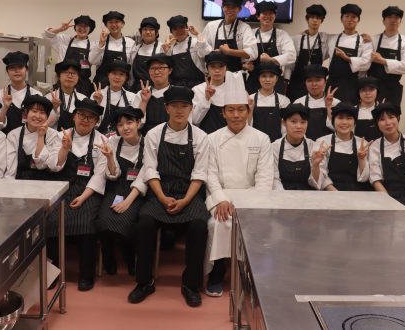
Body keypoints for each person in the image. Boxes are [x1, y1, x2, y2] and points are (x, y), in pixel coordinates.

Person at [128, 86, 209, 307]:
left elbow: (199, 174)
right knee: (144, 224)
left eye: (184, 106)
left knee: (199, 226)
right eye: (175, 106)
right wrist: (163, 198)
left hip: (188, 192)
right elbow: (150, 170)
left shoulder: (200, 137)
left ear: (191, 109)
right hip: (160, 191)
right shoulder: (154, 134)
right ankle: (144, 282)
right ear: (166, 108)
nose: (179, 110)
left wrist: (185, 200)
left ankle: (190, 285)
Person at [204, 72, 273, 297]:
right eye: (231, 110)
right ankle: (217, 271)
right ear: (223, 113)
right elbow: (210, 175)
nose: (236, 115)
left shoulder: (261, 138)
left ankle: (249, 271)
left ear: (248, 111)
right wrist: (221, 200)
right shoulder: (212, 139)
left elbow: (265, 178)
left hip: (252, 197)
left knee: (254, 224)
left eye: (241, 110)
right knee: (219, 224)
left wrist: (247, 203)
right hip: (221, 196)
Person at [51, 98, 109, 291]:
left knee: (88, 224)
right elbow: (54, 167)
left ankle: (86, 275)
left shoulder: (103, 141)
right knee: (52, 220)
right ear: (74, 116)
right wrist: (64, 149)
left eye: (91, 117)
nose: (85, 120)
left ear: (96, 121)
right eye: (82, 115)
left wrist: (84, 196)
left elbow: (100, 175)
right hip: (62, 187)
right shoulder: (60, 135)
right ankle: (52, 273)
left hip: (88, 191)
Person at [95, 106, 147, 276]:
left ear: (138, 123)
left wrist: (127, 202)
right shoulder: (113, 142)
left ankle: (130, 257)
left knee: (127, 221)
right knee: (103, 221)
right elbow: (113, 175)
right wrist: (110, 157)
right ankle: (108, 256)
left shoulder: (148, 143)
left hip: (137, 193)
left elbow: (145, 177)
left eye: (129, 122)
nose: (125, 128)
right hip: (116, 188)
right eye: (120, 124)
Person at [368, 103, 405, 218]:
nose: (388, 123)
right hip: (386, 197)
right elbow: (375, 180)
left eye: (391, 117)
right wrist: (389, 202)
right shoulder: (375, 146)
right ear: (377, 124)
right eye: (382, 119)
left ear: (398, 119)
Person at [311, 102, 370, 191]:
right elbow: (320, 177)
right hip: (330, 192)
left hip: (357, 193)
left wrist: (361, 159)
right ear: (333, 121)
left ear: (354, 122)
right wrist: (335, 193)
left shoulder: (362, 144)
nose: (344, 122)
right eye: (340, 118)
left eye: (349, 118)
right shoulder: (323, 142)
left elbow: (364, 179)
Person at [244, 2, 295, 94]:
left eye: (271, 13)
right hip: (254, 80)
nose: (268, 16)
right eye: (264, 13)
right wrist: (245, 65)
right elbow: (243, 54)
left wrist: (271, 59)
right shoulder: (250, 33)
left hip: (275, 80)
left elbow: (291, 55)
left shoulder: (282, 34)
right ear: (258, 16)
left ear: (275, 16)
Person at [5, 95, 62, 179]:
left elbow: (42, 165)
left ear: (47, 116)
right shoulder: (14, 135)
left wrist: (41, 136)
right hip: (19, 182)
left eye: (42, 112)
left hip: (46, 182)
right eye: (34, 111)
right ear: (26, 113)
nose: (37, 116)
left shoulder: (54, 135)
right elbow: (11, 169)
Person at [367, 6, 405, 105]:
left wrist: (382, 60)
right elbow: (365, 62)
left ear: (400, 21)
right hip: (372, 87)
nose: (393, 20)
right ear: (383, 21)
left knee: (391, 114)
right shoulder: (373, 40)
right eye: (389, 17)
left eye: (396, 17)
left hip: (393, 89)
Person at [326, 4, 371, 104]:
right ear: (341, 19)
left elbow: (366, 64)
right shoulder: (332, 39)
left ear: (358, 20)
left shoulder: (364, 41)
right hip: (332, 85)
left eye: (354, 17)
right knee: (330, 112)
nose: (350, 19)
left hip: (352, 87)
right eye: (347, 16)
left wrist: (347, 58)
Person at [43, 15, 98, 96]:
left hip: (83, 86)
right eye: (80, 25)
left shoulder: (93, 46)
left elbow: (95, 61)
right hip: (64, 83)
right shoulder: (65, 40)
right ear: (75, 27)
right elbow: (46, 35)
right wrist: (60, 29)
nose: (82, 28)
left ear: (90, 29)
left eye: (85, 26)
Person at [202, 0, 257, 72]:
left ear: (239, 9)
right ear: (222, 7)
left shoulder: (245, 28)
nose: (230, 10)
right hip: (215, 73)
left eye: (234, 7)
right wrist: (213, 52)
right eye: (227, 6)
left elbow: (253, 52)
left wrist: (229, 51)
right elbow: (202, 50)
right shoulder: (211, 26)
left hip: (236, 75)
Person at [287, 4, 329, 102]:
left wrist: (363, 36)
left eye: (318, 18)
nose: (315, 20)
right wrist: (286, 80)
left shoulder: (325, 39)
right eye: (312, 17)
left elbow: (343, 37)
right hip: (297, 82)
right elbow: (290, 64)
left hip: (315, 84)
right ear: (307, 19)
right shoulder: (296, 39)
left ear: (322, 21)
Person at [0, 51, 42, 135]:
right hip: (7, 140)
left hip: (30, 140)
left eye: (20, 67)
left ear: (26, 70)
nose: (17, 71)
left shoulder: (36, 95)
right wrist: (5, 107)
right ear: (7, 72)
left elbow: (40, 122)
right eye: (12, 68)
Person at [272, 103, 317, 190]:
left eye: (303, 122)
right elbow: (275, 180)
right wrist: (285, 197)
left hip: (308, 195)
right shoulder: (275, 147)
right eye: (293, 121)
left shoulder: (313, 146)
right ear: (284, 123)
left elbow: (315, 184)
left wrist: (316, 165)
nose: (299, 126)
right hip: (281, 194)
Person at [90, 11, 136, 88]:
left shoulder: (130, 43)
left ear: (122, 24)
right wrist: (101, 43)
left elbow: (131, 68)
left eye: (117, 22)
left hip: (121, 86)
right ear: (106, 25)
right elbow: (92, 61)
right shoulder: (99, 42)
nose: (114, 25)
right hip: (101, 85)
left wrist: (130, 85)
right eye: (110, 22)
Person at [293, 64, 339, 141]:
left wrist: (329, 107)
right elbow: (293, 129)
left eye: (318, 80)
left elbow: (339, 129)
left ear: (325, 82)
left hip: (329, 144)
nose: (314, 84)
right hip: (305, 144)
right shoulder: (298, 103)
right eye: (309, 80)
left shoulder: (336, 103)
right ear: (305, 83)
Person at [163, 15, 210, 89]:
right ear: (171, 32)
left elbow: (207, 55)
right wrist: (166, 52)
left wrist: (198, 34)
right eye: (175, 29)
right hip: (177, 87)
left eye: (182, 27)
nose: (179, 31)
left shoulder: (197, 42)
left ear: (187, 28)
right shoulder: (170, 48)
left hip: (197, 87)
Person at [91, 60, 136, 136]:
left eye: (121, 74)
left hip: (123, 138)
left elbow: (136, 124)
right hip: (99, 138)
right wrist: (97, 104)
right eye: (114, 73)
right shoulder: (97, 94)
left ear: (126, 78)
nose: (117, 77)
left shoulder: (132, 97)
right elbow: (91, 123)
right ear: (108, 75)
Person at [250, 62, 290, 142]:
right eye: (264, 76)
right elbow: (247, 125)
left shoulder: (284, 101)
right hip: (255, 142)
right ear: (259, 78)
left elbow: (285, 128)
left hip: (276, 144)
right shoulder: (251, 99)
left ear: (277, 79)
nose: (267, 80)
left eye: (271, 76)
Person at [192, 52, 229, 134]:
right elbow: (194, 120)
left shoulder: (232, 90)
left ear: (226, 68)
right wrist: (206, 98)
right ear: (207, 69)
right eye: (213, 67)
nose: (217, 70)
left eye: (221, 66)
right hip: (205, 137)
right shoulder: (198, 89)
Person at [135, 54, 172, 135]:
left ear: (170, 70)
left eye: (161, 68)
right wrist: (144, 101)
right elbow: (136, 125)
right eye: (153, 68)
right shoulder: (141, 94)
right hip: (146, 138)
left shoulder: (177, 93)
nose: (156, 72)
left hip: (171, 137)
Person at [45, 59, 87, 130]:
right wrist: (54, 109)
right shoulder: (48, 98)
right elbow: (44, 125)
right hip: (54, 136)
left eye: (73, 73)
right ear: (59, 76)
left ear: (78, 78)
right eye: (66, 72)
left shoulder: (83, 99)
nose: (70, 76)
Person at [130, 17, 163, 93]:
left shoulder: (162, 48)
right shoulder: (135, 49)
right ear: (141, 32)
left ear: (156, 33)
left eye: (151, 29)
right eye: (145, 29)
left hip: (155, 89)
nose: (148, 32)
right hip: (136, 89)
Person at [354, 76, 381, 142]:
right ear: (358, 93)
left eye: (371, 89)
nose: (367, 93)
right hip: (358, 147)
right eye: (363, 90)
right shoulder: (352, 110)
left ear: (377, 91)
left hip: (379, 147)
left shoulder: (383, 110)